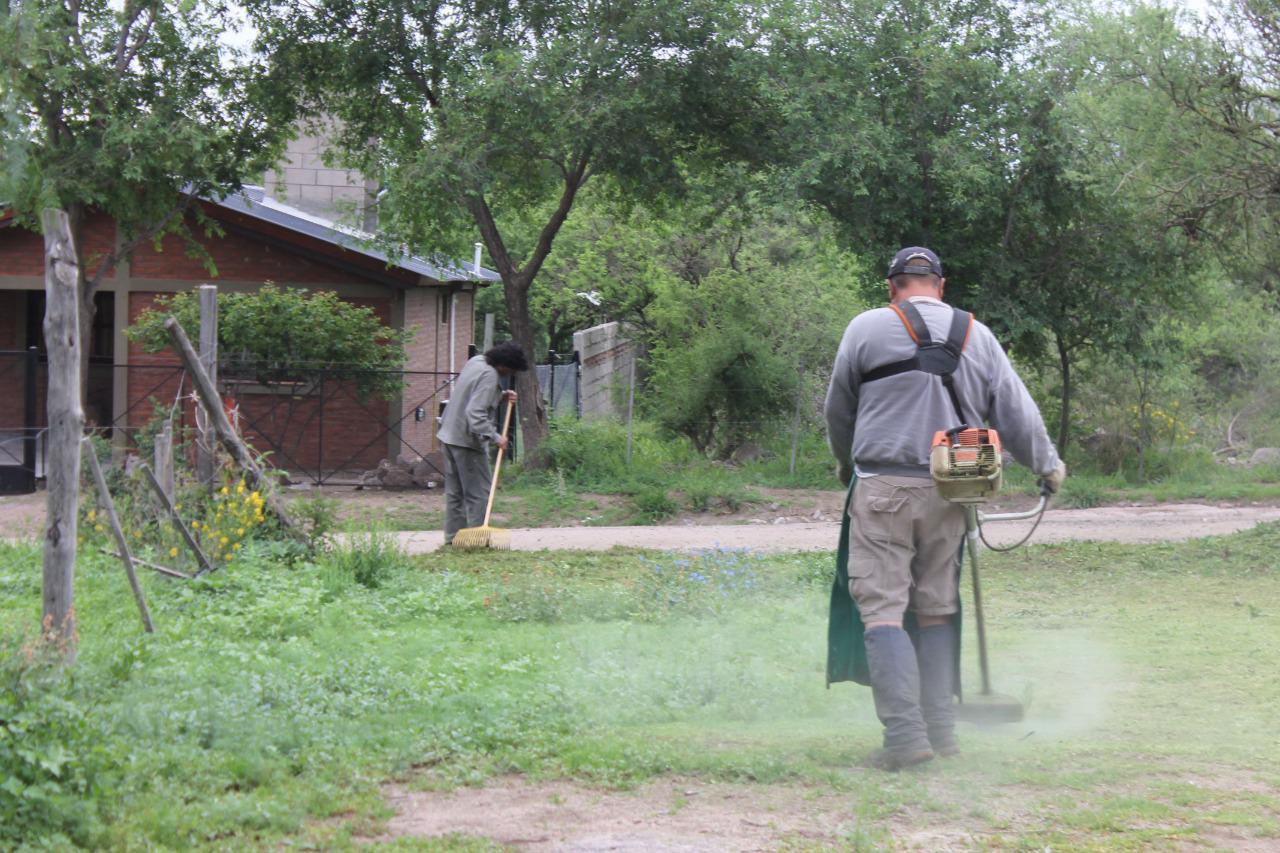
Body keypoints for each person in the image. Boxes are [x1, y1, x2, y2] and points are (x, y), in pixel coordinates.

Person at [824, 246, 1066, 770]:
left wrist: (846, 465)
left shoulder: (865, 328)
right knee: (935, 609)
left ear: (892, 288)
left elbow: (838, 409)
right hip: (955, 491)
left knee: (883, 609)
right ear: (941, 285)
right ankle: (942, 734)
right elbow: (1017, 412)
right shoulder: (978, 335)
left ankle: (907, 740)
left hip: (884, 487)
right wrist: (1047, 466)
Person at [437, 341, 529, 545]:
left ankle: (453, 539)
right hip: (467, 442)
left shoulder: (475, 361)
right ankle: (477, 540)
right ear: (504, 364)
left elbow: (472, 395)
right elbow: (475, 413)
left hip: (448, 436)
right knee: (478, 493)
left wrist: (501, 396)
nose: (510, 374)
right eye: (511, 370)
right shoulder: (490, 376)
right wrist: (497, 437)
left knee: (455, 493)